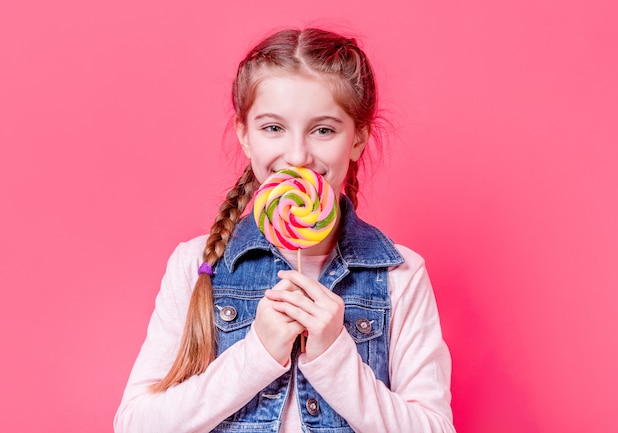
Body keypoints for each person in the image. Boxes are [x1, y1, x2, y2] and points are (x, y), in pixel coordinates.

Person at [114, 28, 455, 433]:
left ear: (358, 138)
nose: (297, 156)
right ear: (245, 135)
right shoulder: (196, 264)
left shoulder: (400, 274)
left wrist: (335, 356)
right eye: (273, 128)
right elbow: (136, 424)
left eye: (323, 130)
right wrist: (256, 354)